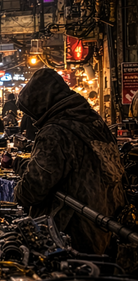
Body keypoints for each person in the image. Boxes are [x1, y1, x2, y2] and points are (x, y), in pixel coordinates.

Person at [12, 69, 125, 254]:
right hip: (105, 226)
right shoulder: (93, 121)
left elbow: (32, 190)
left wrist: (17, 191)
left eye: (32, 113)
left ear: (41, 104)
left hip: (69, 231)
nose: (32, 120)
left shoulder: (55, 132)